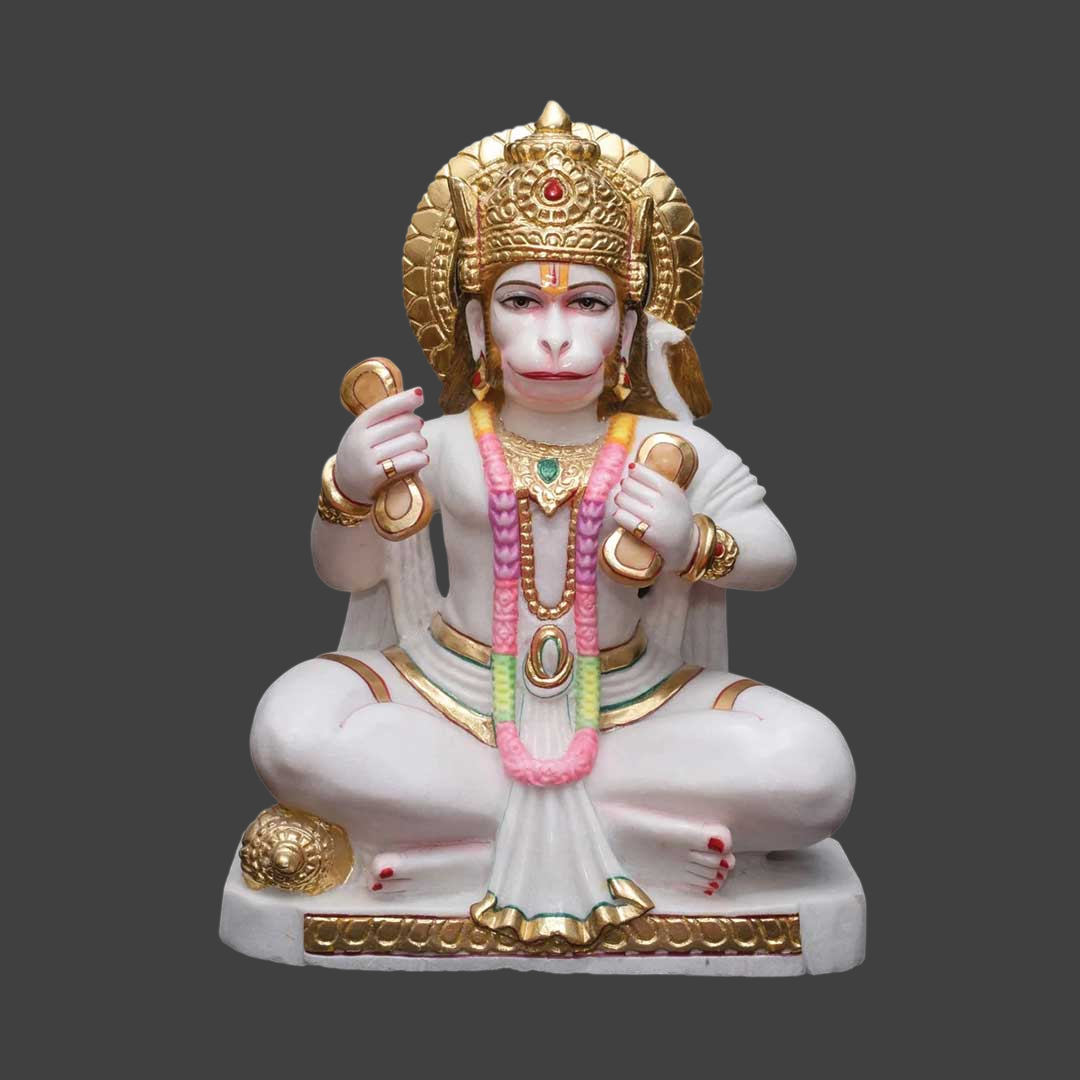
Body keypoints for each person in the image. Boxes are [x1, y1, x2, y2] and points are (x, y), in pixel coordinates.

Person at [244, 103, 854, 947]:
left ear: (628, 326)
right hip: (451, 694)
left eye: (589, 304)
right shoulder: (440, 442)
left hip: (630, 703)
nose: (557, 337)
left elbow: (775, 555)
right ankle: (625, 836)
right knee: (292, 725)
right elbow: (345, 572)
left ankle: (471, 844)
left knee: (816, 767)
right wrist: (347, 484)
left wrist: (690, 541)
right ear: (477, 323)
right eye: (523, 302)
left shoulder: (670, 450)